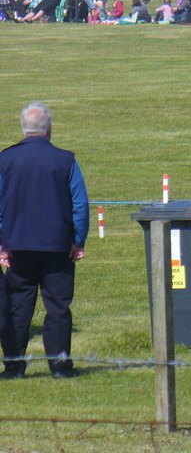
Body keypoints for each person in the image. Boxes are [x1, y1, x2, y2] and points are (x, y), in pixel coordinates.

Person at [0, 102, 89, 379]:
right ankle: (60, 366)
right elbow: (80, 204)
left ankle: (14, 366)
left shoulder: (5, 159)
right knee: (58, 307)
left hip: (18, 246)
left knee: (17, 306)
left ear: (24, 129)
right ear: (49, 129)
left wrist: (2, 243)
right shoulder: (65, 160)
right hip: (56, 245)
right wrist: (78, 240)